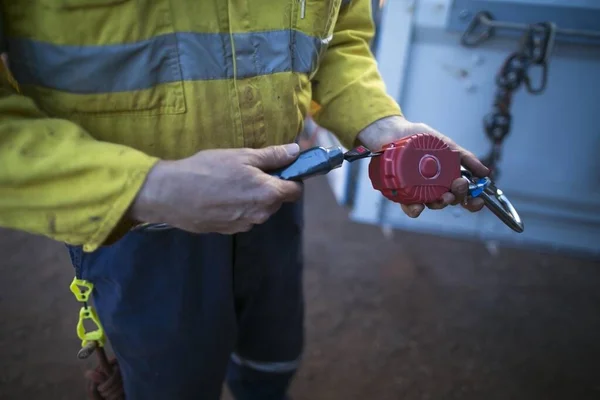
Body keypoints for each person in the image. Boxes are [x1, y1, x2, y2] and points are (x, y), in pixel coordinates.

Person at [0, 1, 488, 399]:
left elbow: (335, 35)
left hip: (272, 200)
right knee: (166, 383)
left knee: (271, 358)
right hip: (138, 228)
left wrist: (379, 122)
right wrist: (149, 189)